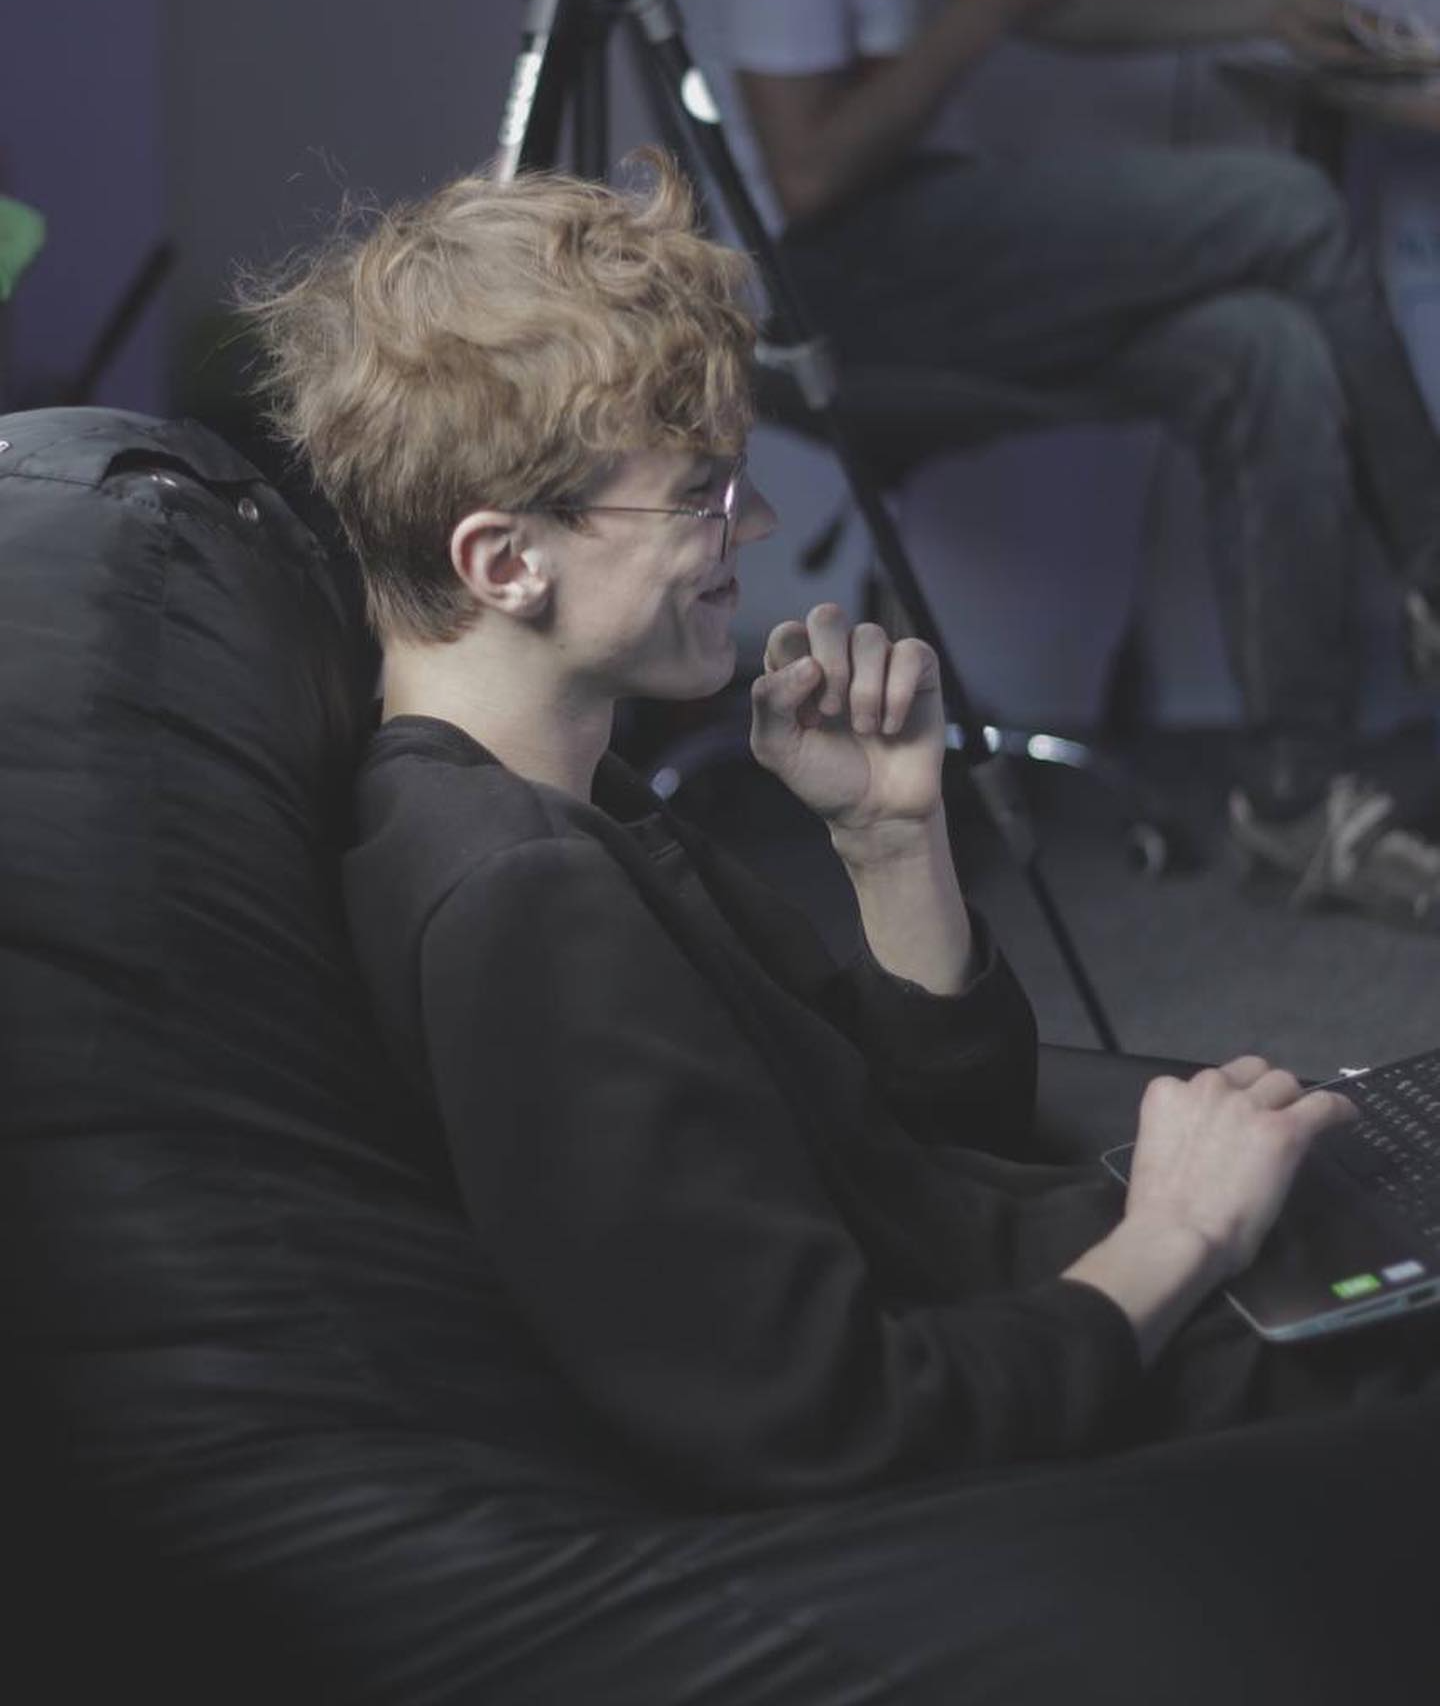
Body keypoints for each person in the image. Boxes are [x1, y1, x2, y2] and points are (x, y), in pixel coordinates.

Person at [238, 156, 1440, 1549]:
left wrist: (890, 840)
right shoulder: (523, 901)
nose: (749, 528)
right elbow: (830, 1422)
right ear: (507, 561)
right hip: (1114, 1387)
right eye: (697, 493)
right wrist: (1188, 1236)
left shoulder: (565, 799)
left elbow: (914, 1140)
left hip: (1061, 1291)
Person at [673, 0, 1440, 930]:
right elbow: (807, 176)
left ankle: (1295, 802)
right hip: (818, 286)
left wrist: (1264, 9)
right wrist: (980, 9)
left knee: (1264, 352)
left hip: (920, 242)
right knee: (1289, 206)